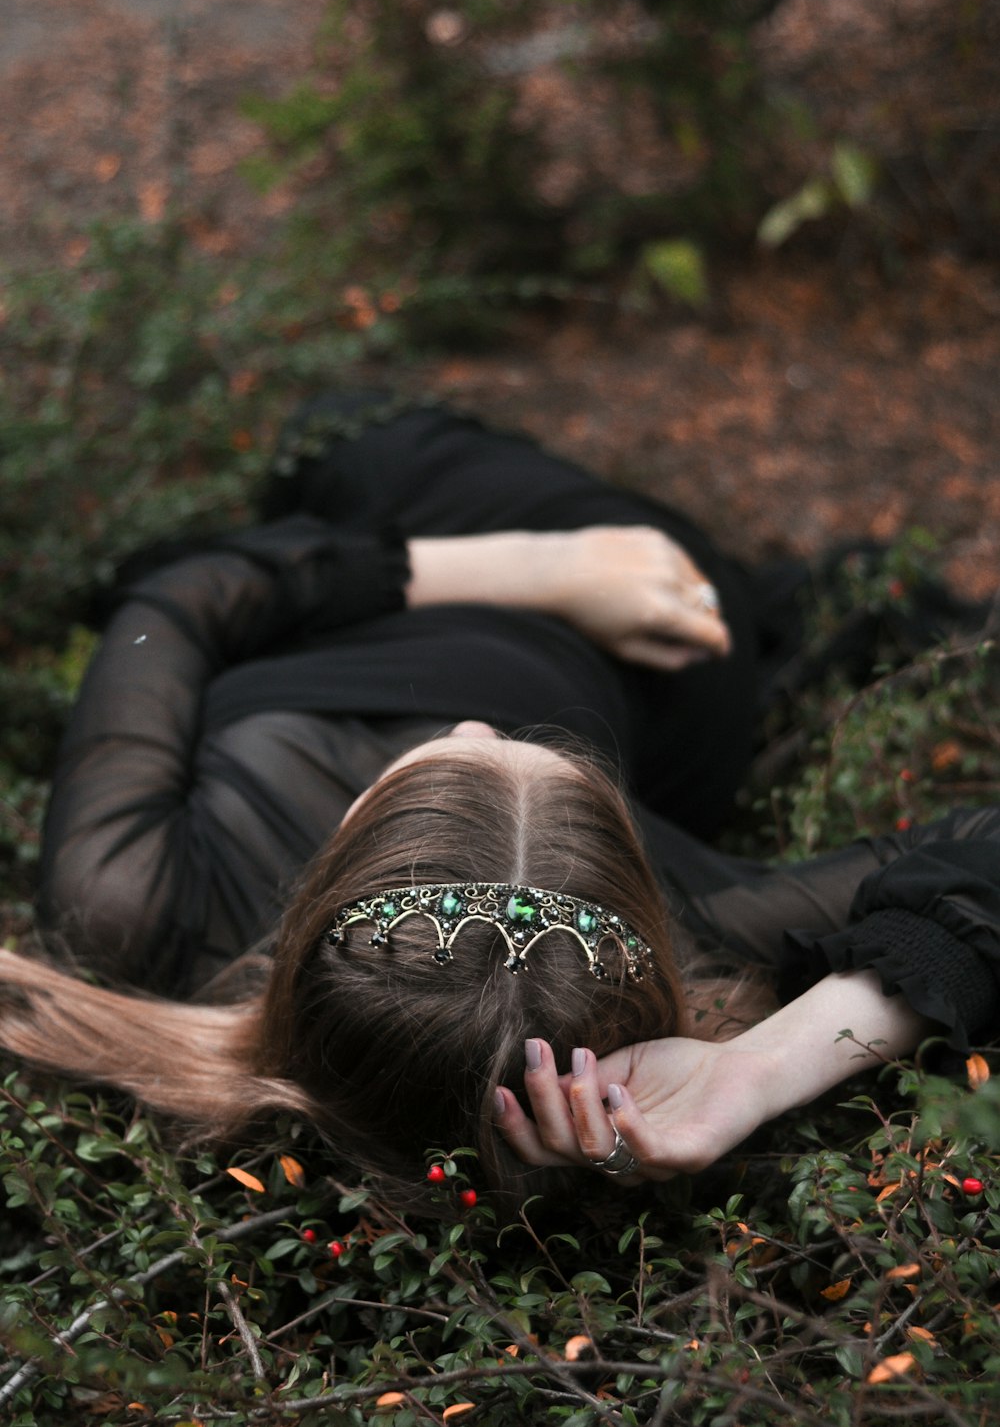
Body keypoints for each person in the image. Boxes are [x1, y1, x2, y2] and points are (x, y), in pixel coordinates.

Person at [2, 392, 998, 1214]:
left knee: (348, 442)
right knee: (404, 460)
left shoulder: (132, 904)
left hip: (468, 574)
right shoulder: (689, 931)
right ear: (637, 869)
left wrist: (537, 569)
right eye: (545, 758)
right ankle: (757, 596)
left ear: (340, 852)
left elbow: (175, 605)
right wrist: (760, 1069)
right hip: (655, 656)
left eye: (435, 767)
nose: (474, 727)